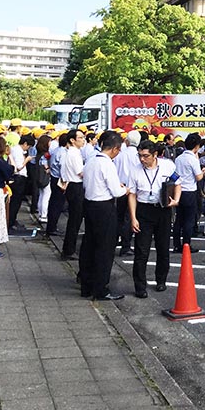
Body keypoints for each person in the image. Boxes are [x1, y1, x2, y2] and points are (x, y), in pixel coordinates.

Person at [128, 139, 180, 298]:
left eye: (145, 156)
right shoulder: (135, 170)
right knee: (141, 250)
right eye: (140, 156)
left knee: (163, 247)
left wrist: (176, 200)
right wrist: (133, 218)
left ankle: (161, 280)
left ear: (155, 154)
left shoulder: (167, 166)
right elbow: (132, 194)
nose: (142, 159)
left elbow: (178, 183)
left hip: (162, 209)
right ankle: (140, 286)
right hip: (143, 210)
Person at [79, 130, 127, 301]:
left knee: (89, 246)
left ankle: (86, 285)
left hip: (90, 203)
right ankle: (101, 288)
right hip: (104, 207)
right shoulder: (107, 164)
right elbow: (116, 191)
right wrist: (125, 189)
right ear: (114, 148)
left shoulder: (91, 160)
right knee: (105, 249)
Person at [174, 133, 204, 251]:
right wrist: (202, 172)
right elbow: (198, 177)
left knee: (179, 219)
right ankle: (186, 244)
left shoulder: (179, 158)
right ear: (196, 146)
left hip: (178, 191)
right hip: (190, 192)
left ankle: (177, 245)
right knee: (189, 220)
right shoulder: (192, 159)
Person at [114, 130, 142, 256]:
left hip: (120, 187)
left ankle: (116, 241)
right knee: (129, 217)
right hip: (133, 189)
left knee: (119, 217)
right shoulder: (138, 156)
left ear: (127, 141)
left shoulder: (119, 154)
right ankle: (126, 246)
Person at [60, 129, 86, 260]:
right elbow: (80, 172)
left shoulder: (73, 152)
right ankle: (69, 250)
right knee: (75, 220)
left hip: (72, 185)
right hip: (75, 186)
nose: (83, 140)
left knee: (74, 220)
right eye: (80, 137)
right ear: (72, 140)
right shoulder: (74, 153)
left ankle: (69, 248)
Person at [7, 134, 34, 233]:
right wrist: (26, 160)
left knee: (15, 202)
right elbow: (18, 167)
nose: (28, 148)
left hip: (17, 178)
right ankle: (11, 221)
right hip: (18, 178)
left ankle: (12, 220)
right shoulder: (18, 151)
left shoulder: (15, 149)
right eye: (29, 146)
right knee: (15, 201)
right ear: (25, 144)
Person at [45, 132, 69, 237]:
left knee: (54, 203)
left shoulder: (55, 150)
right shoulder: (63, 153)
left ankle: (51, 226)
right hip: (59, 179)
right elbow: (63, 167)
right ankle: (52, 227)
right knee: (57, 205)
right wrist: (64, 182)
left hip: (54, 177)